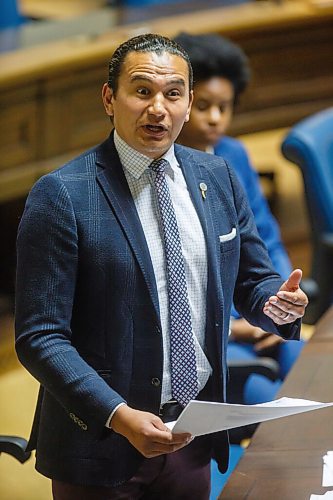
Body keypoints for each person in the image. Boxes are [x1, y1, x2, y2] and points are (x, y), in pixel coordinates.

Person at [15, 33, 308, 499]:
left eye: (173, 94)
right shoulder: (62, 196)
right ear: (110, 98)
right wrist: (117, 414)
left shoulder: (218, 176)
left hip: (192, 432)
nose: (158, 109)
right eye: (142, 91)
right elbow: (40, 336)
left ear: (189, 103)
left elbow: (253, 281)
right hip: (100, 442)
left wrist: (277, 304)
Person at [175, 32, 305, 405]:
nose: (215, 118)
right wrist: (236, 328)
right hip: (211, 334)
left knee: (314, 374)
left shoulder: (234, 153)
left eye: (224, 107)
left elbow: (266, 238)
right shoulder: (162, 169)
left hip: (256, 310)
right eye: (204, 107)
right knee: (276, 405)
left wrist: (276, 302)